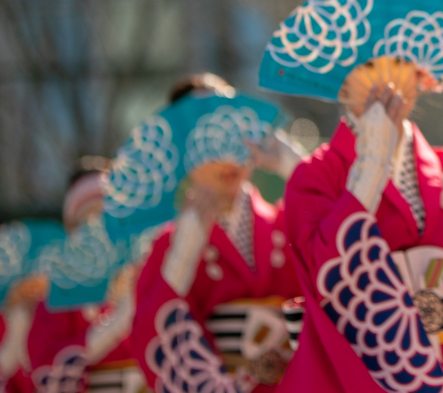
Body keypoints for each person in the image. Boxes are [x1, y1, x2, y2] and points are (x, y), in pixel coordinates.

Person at [278, 63, 443, 393]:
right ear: (341, 83)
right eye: (369, 65)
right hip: (359, 367)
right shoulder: (315, 177)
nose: (384, 76)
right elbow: (323, 271)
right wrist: (371, 163)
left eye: (400, 62)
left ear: (420, 76)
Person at [130, 75, 302, 393]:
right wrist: (184, 254)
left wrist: (298, 168)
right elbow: (149, 331)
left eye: (232, 129)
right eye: (204, 138)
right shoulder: (168, 247)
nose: (224, 155)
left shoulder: (286, 222)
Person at [26, 157, 144, 393]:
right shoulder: (57, 295)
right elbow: (46, 368)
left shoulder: (144, 271)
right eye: (88, 220)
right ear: (72, 230)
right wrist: (112, 326)